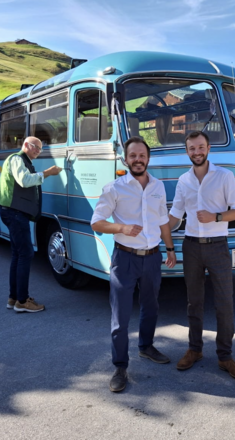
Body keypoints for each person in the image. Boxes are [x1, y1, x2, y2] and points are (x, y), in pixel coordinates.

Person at [91, 136, 176, 393]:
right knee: (121, 316)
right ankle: (120, 367)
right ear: (125, 159)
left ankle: (146, 347)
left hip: (152, 257)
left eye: (142, 155)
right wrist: (122, 228)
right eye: (133, 156)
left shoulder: (158, 186)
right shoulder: (114, 188)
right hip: (125, 259)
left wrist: (170, 248)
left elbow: (163, 220)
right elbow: (96, 222)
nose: (138, 160)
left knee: (151, 306)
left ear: (148, 158)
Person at [169, 130, 235, 379]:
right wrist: (153, 231)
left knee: (224, 303)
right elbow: (175, 216)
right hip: (191, 246)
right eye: (192, 148)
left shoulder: (224, 175)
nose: (197, 152)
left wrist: (216, 216)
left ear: (208, 148)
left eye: (201, 147)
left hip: (217, 246)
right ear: (187, 152)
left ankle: (225, 357)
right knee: (194, 302)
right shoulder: (184, 180)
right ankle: (194, 350)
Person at [0, 136, 62, 313]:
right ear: (26, 145)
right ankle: (22, 301)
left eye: (40, 149)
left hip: (13, 212)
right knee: (25, 254)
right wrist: (47, 173)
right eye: (35, 147)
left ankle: (14, 298)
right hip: (15, 213)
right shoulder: (17, 159)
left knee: (18, 255)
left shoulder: (20, 160)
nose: (38, 151)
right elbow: (24, 180)